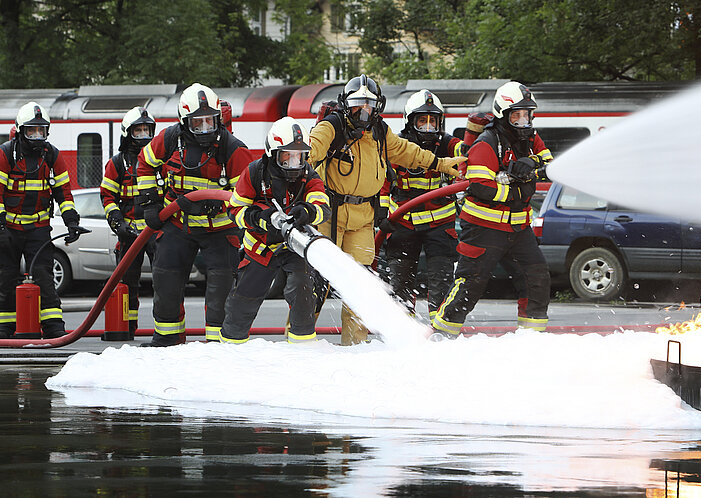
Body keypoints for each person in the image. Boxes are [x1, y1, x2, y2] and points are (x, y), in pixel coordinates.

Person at [308, 75, 465, 344]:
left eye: (369, 105)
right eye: (358, 105)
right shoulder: (331, 127)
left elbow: (408, 152)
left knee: (362, 285)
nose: (364, 111)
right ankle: (301, 336)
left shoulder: (380, 132)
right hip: (330, 216)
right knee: (316, 282)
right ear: (346, 104)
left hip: (362, 219)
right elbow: (306, 155)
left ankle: (355, 345)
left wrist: (441, 164)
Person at [431, 81, 553, 338]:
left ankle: (532, 339)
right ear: (503, 114)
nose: (523, 121)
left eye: (526, 114)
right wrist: (516, 190)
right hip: (483, 229)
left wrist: (529, 161)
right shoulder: (487, 143)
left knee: (537, 278)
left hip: (518, 228)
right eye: (516, 115)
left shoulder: (531, 138)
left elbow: (547, 160)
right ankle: (442, 334)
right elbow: (480, 187)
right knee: (471, 284)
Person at [135, 83, 254, 345]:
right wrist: (151, 204)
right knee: (166, 281)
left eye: (210, 122)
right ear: (183, 121)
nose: (204, 130)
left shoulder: (233, 149)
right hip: (178, 225)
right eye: (196, 123)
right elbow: (144, 163)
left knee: (220, 292)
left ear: (218, 120)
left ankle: (218, 346)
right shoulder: (169, 139)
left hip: (220, 230)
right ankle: (167, 340)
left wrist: (218, 206)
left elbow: (248, 193)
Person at [221, 118, 330, 344]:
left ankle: (304, 347)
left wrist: (308, 212)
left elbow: (323, 208)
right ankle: (232, 348)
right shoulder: (254, 173)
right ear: (273, 153)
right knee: (243, 301)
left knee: (302, 293)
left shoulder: (308, 175)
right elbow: (235, 210)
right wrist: (260, 218)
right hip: (260, 250)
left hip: (295, 248)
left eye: (299, 156)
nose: (293, 163)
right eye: (287, 156)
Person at [378, 89, 464, 321]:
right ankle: (404, 324)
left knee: (441, 279)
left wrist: (473, 141)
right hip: (403, 224)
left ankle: (441, 325)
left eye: (432, 121)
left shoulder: (447, 144)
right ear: (410, 121)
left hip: (440, 224)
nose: (428, 126)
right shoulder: (397, 147)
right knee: (400, 281)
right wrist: (382, 214)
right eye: (422, 120)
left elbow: (464, 153)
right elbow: (383, 183)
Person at [0, 102, 82, 339]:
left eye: (41, 131)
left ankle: (53, 325)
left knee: (44, 276)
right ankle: (5, 326)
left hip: (38, 228)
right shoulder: (6, 154)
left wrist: (71, 220)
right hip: (10, 229)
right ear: (20, 131)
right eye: (31, 131)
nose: (37, 136)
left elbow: (64, 192)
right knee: (6, 276)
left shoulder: (53, 156)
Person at [100, 106, 158, 336]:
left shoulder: (160, 162)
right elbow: (107, 196)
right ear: (127, 134)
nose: (144, 135)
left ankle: (165, 329)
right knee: (126, 284)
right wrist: (118, 223)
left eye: (147, 130)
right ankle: (126, 327)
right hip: (129, 234)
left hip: (156, 232)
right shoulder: (117, 164)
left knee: (164, 281)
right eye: (138, 131)